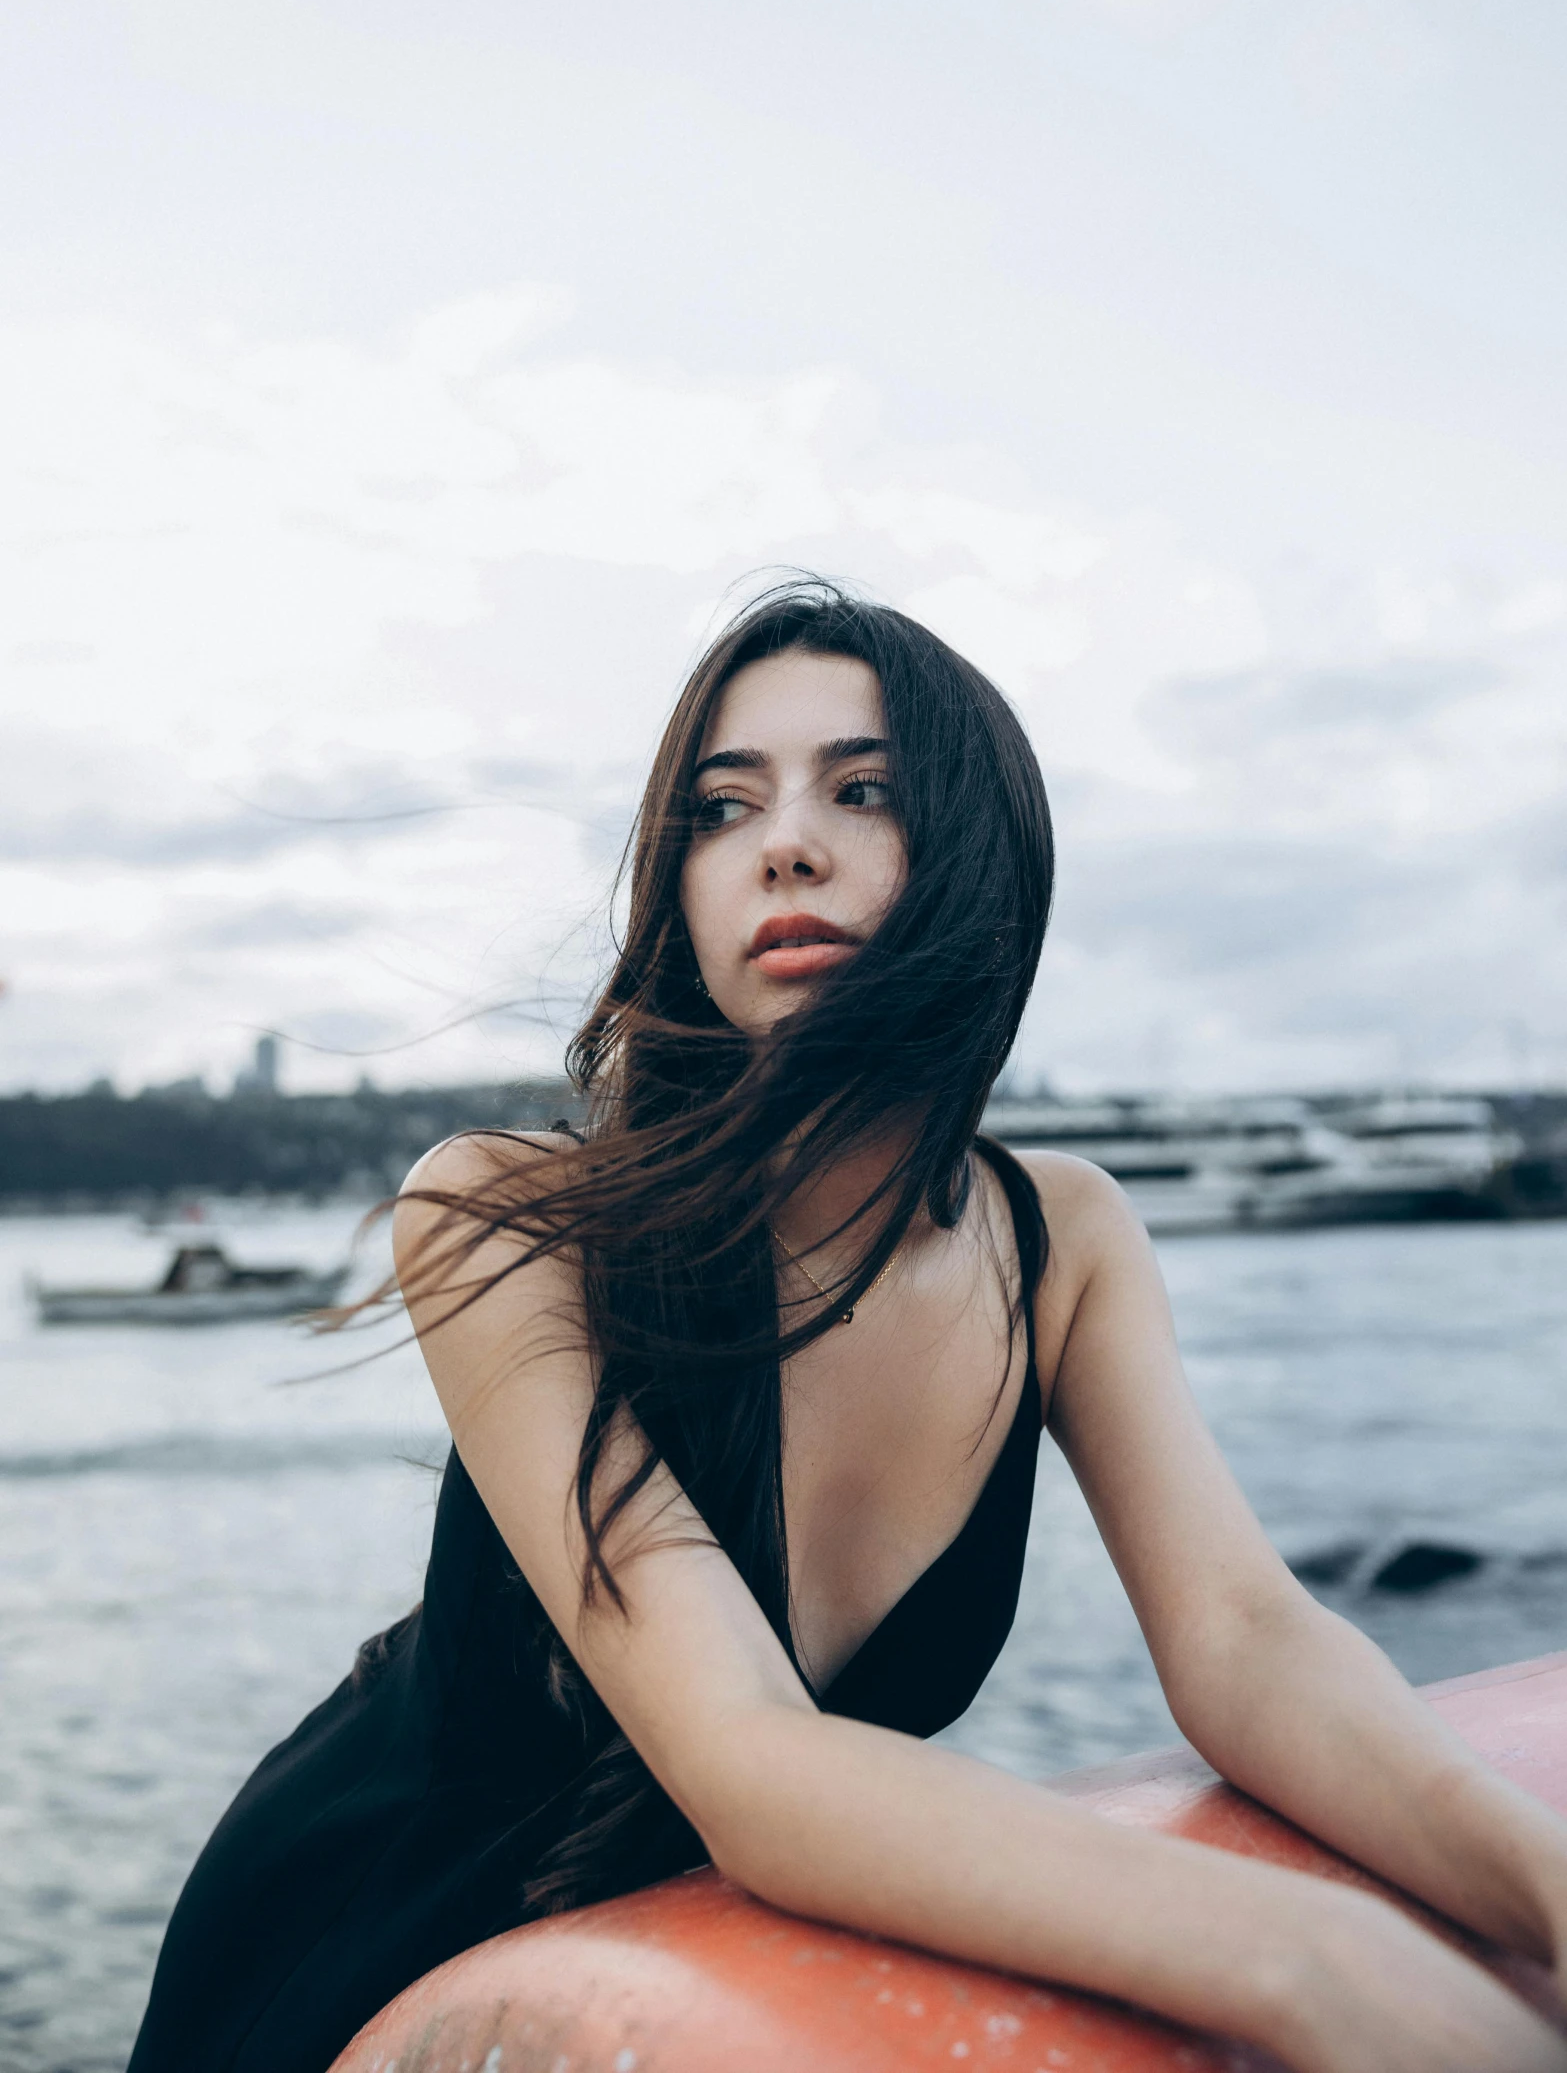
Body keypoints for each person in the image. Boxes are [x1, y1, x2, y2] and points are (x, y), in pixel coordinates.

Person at [129, 581, 1567, 2073]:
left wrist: (1540, 1886)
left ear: (973, 845)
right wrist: (1299, 1951)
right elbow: (744, 1750)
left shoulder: (1058, 1237)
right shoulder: (501, 1216)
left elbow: (1247, 1643)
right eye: (721, 808)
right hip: (359, 1948)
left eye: (863, 788)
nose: (786, 843)